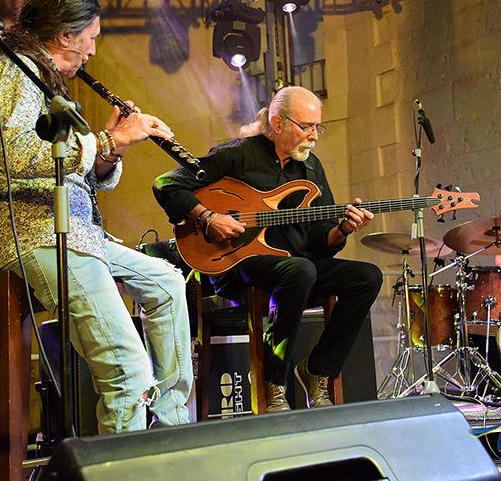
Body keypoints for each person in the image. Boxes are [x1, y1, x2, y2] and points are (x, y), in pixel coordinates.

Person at [0, 0, 193, 434]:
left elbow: (77, 173)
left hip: (77, 232)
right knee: (127, 370)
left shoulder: (35, 77)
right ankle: (128, 457)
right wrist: (105, 139)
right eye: (91, 38)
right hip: (33, 232)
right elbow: (11, 157)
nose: (93, 51)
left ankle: (171, 427)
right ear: (65, 34)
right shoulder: (6, 70)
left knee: (166, 282)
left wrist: (111, 149)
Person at [153, 86, 383, 412]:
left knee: (366, 276)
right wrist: (207, 218)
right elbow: (167, 183)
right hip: (236, 265)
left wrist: (342, 229)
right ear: (277, 123)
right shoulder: (238, 154)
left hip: (295, 267)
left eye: (318, 127)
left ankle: (317, 370)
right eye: (307, 126)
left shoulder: (312, 168)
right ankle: (274, 381)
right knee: (301, 270)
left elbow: (320, 240)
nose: (314, 136)